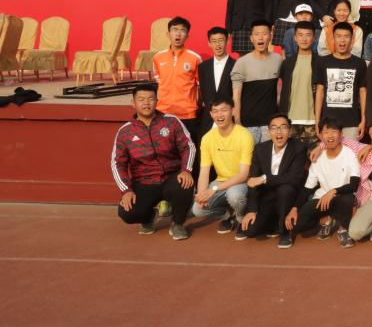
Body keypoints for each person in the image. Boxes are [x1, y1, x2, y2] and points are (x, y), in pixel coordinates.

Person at [111, 84, 195, 240]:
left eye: (150, 99)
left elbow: (188, 146)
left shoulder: (171, 122)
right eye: (141, 99)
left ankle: (177, 223)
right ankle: (148, 217)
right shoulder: (125, 131)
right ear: (133, 103)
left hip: (171, 177)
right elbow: (118, 164)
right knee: (127, 212)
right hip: (144, 182)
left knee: (185, 183)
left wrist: (186, 170)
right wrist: (126, 190)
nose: (146, 103)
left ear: (157, 101)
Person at [238, 113, 308, 248]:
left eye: (283, 127)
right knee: (250, 231)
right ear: (269, 131)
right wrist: (252, 209)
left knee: (285, 189)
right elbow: (253, 181)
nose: (279, 132)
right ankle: (273, 222)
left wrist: (264, 178)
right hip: (267, 197)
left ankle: (285, 232)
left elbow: (294, 178)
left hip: (289, 196)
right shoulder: (260, 149)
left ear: (290, 131)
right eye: (274, 128)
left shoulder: (299, 148)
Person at [290, 118, 361, 246]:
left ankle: (343, 229)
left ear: (341, 134)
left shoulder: (350, 154)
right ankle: (327, 219)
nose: (330, 136)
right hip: (322, 200)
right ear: (321, 135)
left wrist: (333, 191)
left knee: (348, 198)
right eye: (326, 132)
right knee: (298, 224)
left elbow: (354, 185)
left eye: (334, 131)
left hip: (341, 197)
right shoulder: (318, 158)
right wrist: (294, 208)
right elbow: (307, 189)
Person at [191, 98, 253, 237]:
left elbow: (243, 175)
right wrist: (202, 194)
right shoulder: (207, 138)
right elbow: (204, 172)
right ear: (211, 114)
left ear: (233, 111)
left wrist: (213, 190)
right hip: (220, 182)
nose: (219, 115)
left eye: (224, 110)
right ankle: (228, 215)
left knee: (234, 196)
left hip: (242, 182)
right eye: (215, 111)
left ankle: (241, 218)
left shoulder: (244, 135)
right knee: (198, 210)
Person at [230, 20, 283, 144]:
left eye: (264, 34)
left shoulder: (278, 60)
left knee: (268, 155)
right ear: (251, 38)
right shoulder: (242, 62)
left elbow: (283, 89)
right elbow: (236, 95)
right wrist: (237, 121)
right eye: (257, 34)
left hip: (270, 124)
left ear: (270, 36)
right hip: (248, 124)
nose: (260, 37)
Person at [153, 16, 202, 142]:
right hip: (164, 112)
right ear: (168, 34)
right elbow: (159, 81)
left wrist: (196, 107)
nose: (178, 34)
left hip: (187, 114)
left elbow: (200, 86)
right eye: (175, 30)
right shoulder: (158, 58)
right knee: (164, 148)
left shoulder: (195, 58)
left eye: (182, 30)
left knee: (189, 148)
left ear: (187, 36)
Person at [277, 21, 318, 149]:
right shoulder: (287, 63)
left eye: (308, 35)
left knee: (313, 159)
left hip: (313, 122)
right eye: (300, 35)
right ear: (295, 38)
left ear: (314, 38)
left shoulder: (320, 62)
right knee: (291, 159)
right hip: (290, 121)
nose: (304, 39)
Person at [198, 27, 235, 140]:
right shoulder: (203, 67)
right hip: (207, 120)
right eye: (214, 41)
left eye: (221, 40)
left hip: (229, 120)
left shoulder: (236, 65)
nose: (218, 45)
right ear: (209, 43)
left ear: (227, 41)